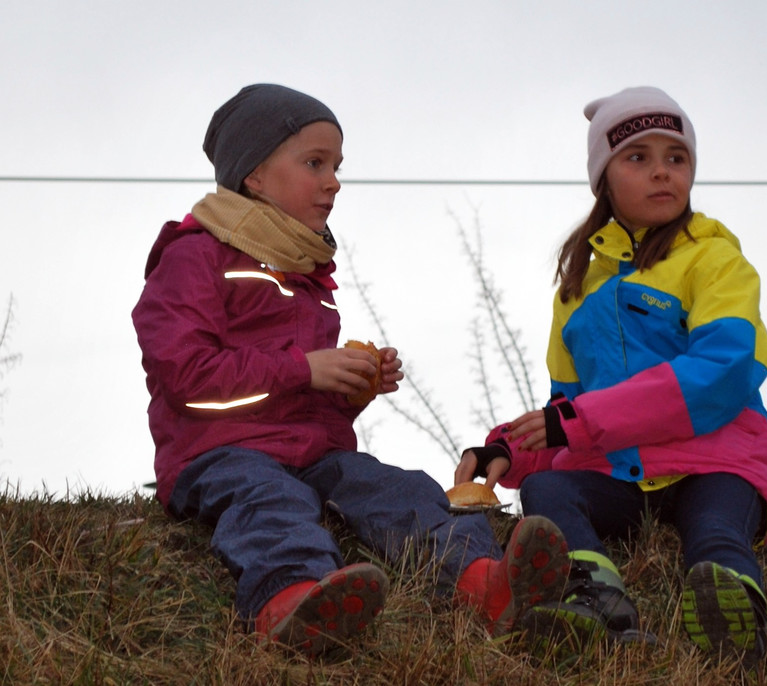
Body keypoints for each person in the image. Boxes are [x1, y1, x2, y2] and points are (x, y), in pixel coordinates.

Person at [132, 84, 570, 657]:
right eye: (314, 163)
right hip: (219, 454)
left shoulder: (307, 275)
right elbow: (185, 377)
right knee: (269, 502)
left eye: (337, 166)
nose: (333, 181)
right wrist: (305, 370)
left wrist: (350, 390)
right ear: (254, 175)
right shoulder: (195, 254)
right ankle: (290, 601)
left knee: (396, 489)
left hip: (311, 454)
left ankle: (483, 583)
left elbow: (299, 396)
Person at [455, 86, 767, 666]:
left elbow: (724, 369)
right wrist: (506, 446)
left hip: (715, 459)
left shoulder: (716, 261)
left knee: (714, 530)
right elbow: (566, 409)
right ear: (603, 178)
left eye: (676, 157)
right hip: (620, 474)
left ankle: (732, 612)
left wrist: (581, 421)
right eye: (638, 157)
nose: (662, 171)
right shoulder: (576, 291)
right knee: (547, 490)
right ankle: (595, 596)